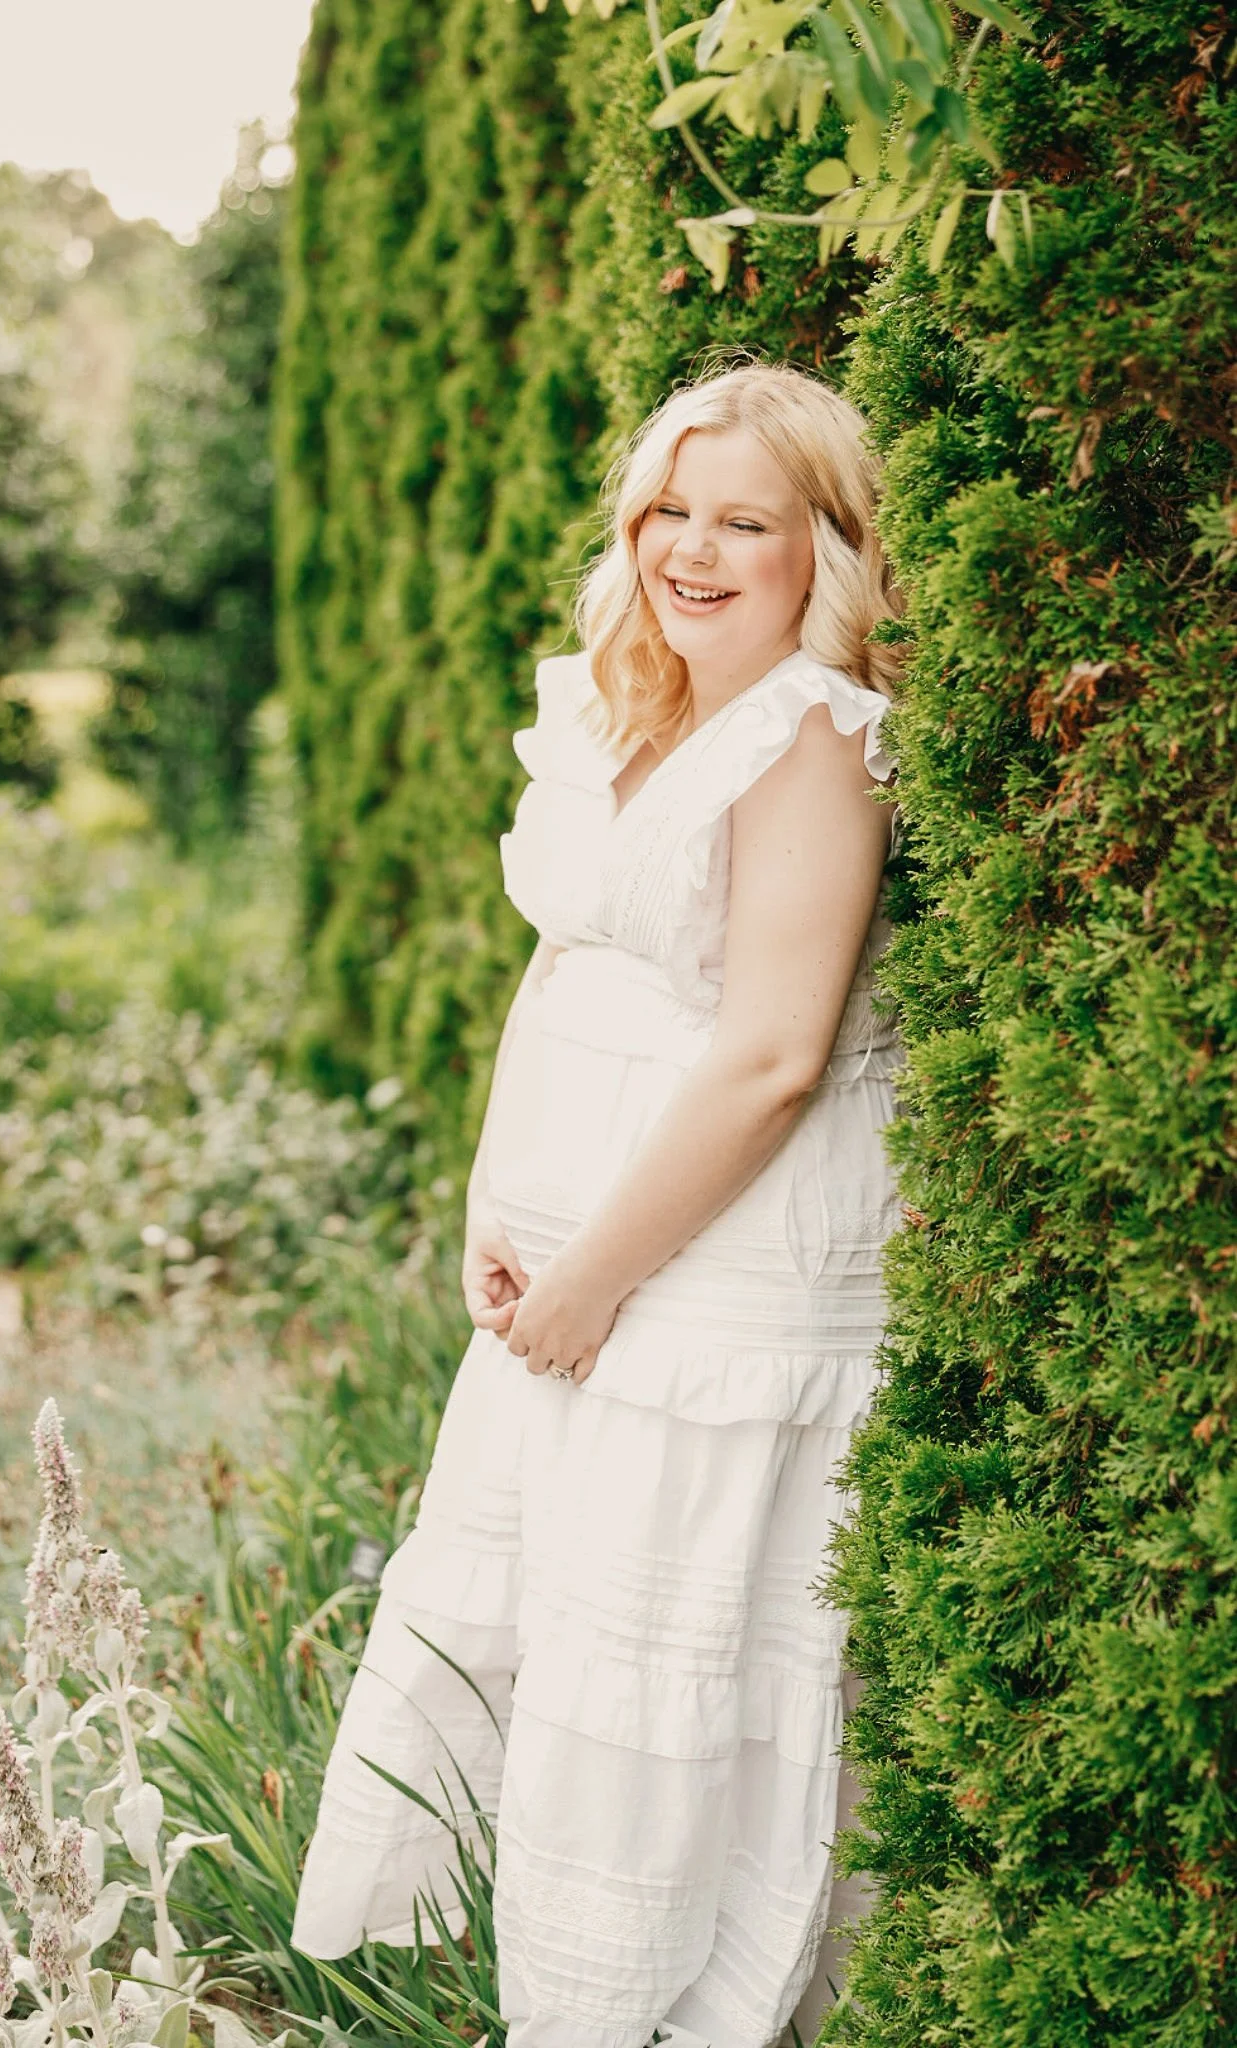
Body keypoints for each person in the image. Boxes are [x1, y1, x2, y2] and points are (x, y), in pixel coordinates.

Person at [291, 354, 906, 2048]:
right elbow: (567, 972)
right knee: (577, 1664)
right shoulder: (644, 713)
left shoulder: (815, 742)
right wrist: (507, 1210)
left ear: (824, 550)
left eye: (746, 522)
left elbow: (775, 1055)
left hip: (710, 1285)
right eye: (668, 511)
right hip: (584, 1267)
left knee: (684, 1691)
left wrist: (596, 1283)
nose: (692, 551)